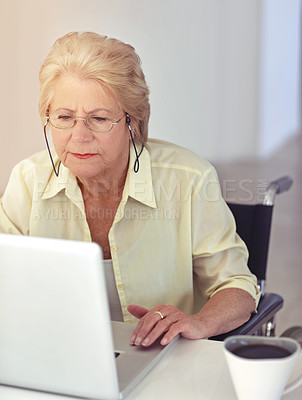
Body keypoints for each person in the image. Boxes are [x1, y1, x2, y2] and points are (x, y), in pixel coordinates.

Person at [0, 31, 260, 347]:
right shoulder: (28, 180)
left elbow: (237, 286)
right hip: (58, 352)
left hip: (165, 358)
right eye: (64, 117)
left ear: (131, 122)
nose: (79, 136)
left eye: (98, 118)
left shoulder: (189, 178)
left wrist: (198, 322)